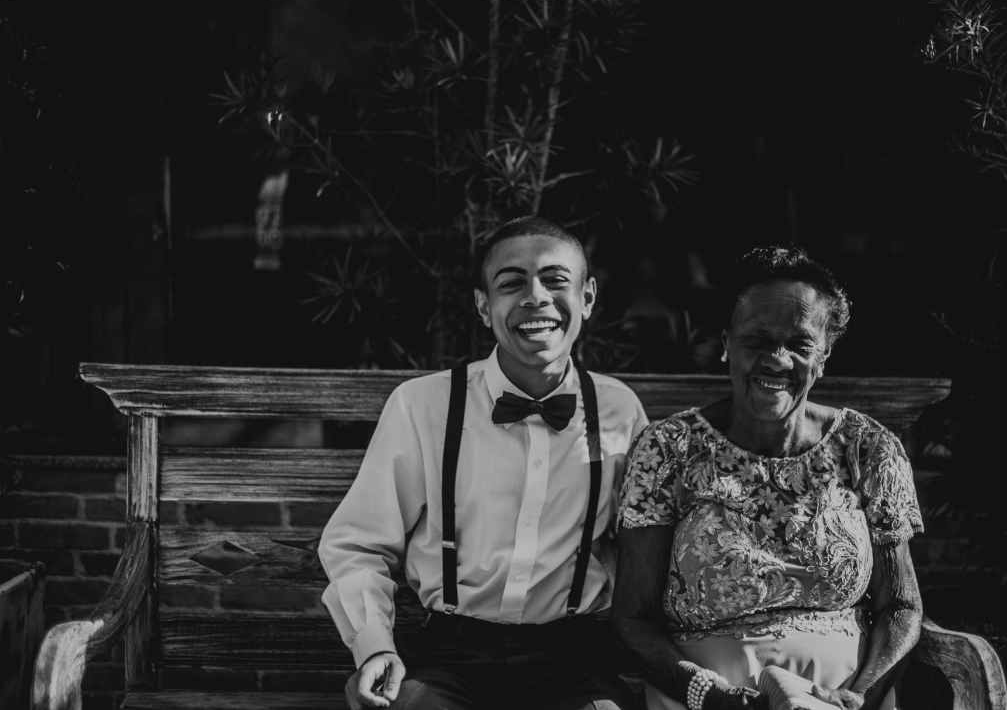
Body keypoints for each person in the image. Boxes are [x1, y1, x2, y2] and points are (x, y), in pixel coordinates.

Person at [319, 216, 650, 709]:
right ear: (482, 305)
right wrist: (374, 647)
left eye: (555, 280)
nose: (535, 296)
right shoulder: (423, 405)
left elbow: (640, 550)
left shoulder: (620, 410)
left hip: (575, 659)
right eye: (511, 283)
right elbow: (359, 543)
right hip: (449, 657)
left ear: (587, 297)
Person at [612, 247, 924, 710]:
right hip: (705, 699)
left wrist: (856, 699)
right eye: (757, 341)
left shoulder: (867, 448)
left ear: (824, 356)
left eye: (799, 345)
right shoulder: (669, 448)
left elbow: (900, 605)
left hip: (839, 699)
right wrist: (713, 696)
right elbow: (633, 619)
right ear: (726, 344)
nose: (777, 360)